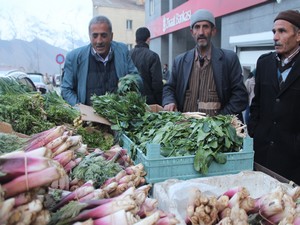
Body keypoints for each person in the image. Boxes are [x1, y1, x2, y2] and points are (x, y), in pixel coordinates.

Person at [162, 9, 248, 121]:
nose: (201, 32)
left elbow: (240, 96)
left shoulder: (228, 59)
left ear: (213, 31)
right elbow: (169, 88)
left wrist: (220, 120)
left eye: (205, 27)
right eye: (197, 27)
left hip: (219, 132)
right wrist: (169, 101)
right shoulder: (180, 61)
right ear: (192, 32)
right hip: (187, 130)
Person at [248, 10, 300, 185]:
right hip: (262, 155)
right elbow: (256, 105)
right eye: (274, 31)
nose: (275, 37)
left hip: (292, 161)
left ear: (298, 36)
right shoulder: (264, 63)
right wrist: (254, 132)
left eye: (282, 31)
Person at [61, 15, 142, 106]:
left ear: (111, 36)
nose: (99, 41)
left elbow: (136, 78)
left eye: (103, 35)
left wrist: (127, 82)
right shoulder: (74, 57)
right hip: (88, 118)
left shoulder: (122, 51)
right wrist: (81, 110)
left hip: (117, 116)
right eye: (95, 36)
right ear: (89, 36)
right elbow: (66, 90)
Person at [130, 27, 163, 105]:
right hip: (149, 102)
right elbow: (157, 84)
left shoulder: (127, 55)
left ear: (136, 40)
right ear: (148, 39)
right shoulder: (153, 56)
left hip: (130, 101)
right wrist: (159, 102)